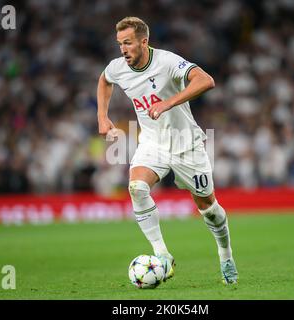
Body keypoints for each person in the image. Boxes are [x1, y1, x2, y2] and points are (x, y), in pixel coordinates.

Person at [97, 17, 238, 284]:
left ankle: (225, 254)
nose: (123, 49)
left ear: (143, 41)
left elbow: (205, 80)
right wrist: (102, 118)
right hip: (152, 143)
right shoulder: (118, 67)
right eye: (119, 44)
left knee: (209, 208)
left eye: (127, 43)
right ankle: (162, 255)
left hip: (186, 144)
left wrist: (168, 103)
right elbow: (104, 80)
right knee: (137, 188)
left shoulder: (167, 61)